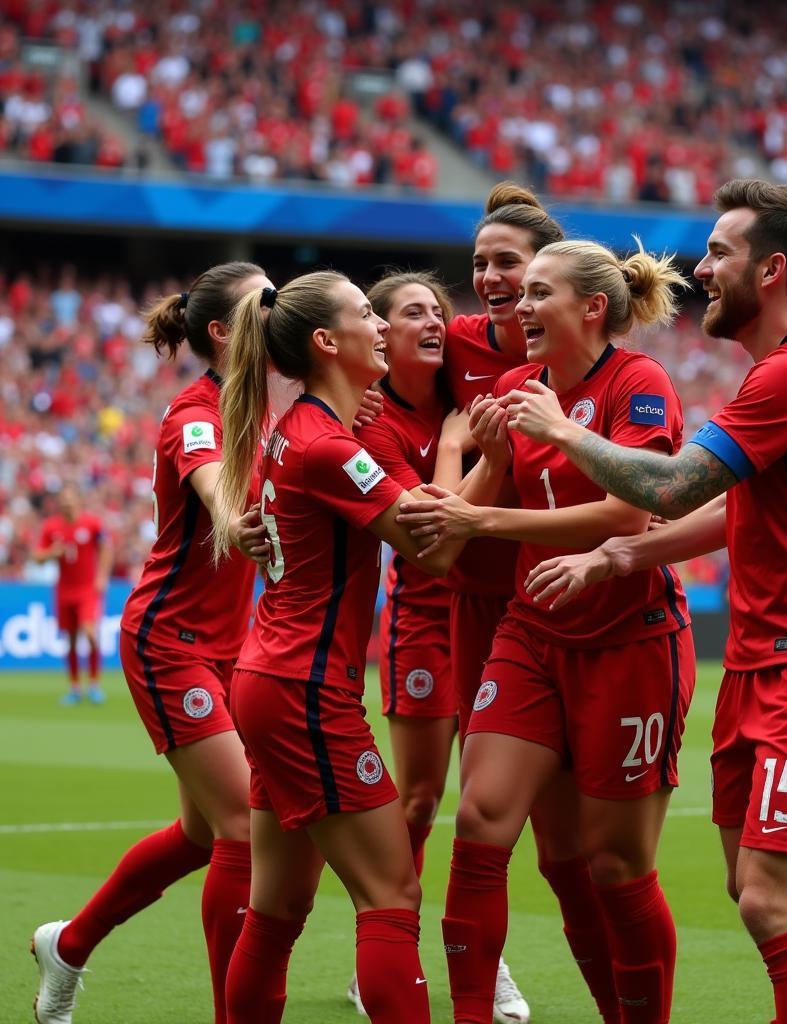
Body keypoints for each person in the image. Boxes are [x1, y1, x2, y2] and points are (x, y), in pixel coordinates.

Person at [501, 180, 787, 1024]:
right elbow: (738, 509)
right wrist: (623, 554)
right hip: (766, 659)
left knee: (773, 901)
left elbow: (666, 484)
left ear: (770, 271)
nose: (700, 269)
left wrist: (561, 430)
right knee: (753, 880)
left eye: (719, 253)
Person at [398, 239, 697, 1024]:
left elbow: (631, 512)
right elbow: (466, 513)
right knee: (480, 821)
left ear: (593, 309)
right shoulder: (512, 386)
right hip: (532, 633)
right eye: (518, 292)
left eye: (538, 293)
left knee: (616, 867)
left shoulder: (639, 381)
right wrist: (477, 463)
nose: (520, 307)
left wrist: (485, 508)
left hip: (632, 639)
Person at [212, 271, 492, 1024]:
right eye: (368, 313)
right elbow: (431, 553)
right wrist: (469, 448)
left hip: (268, 677)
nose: (380, 324)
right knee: (392, 893)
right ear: (328, 342)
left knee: (276, 911)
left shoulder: (298, 430)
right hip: (304, 690)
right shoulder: (330, 447)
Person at [32, 262, 274, 1024]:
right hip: (172, 640)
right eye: (263, 302)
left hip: (232, 646)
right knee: (244, 825)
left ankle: (68, 944)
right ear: (221, 332)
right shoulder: (194, 412)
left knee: (202, 837)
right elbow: (211, 484)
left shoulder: (267, 410)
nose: (279, 309)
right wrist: (236, 522)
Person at [440, 181, 610, 1024]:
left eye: (514, 266)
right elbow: (381, 364)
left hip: (588, 608)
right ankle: (435, 964)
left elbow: (636, 503)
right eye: (482, 264)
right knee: (468, 810)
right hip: (479, 602)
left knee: (581, 851)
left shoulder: (615, 375)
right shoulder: (456, 342)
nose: (495, 279)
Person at [343, 270, 469, 1014]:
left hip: (490, 617)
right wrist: (454, 444)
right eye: (411, 312)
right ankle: (389, 944)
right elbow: (430, 536)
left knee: (490, 806)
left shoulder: (468, 388)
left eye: (437, 311)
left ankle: (475, 954)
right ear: (381, 333)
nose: (432, 321)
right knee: (419, 799)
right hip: (423, 619)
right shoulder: (374, 421)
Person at [33, 482, 112, 705]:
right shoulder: (51, 527)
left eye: (70, 498)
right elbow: (37, 557)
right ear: (59, 502)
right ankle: (75, 687)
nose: (67, 503)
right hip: (64, 590)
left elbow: (106, 548)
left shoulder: (92, 523)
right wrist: (52, 553)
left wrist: (102, 576)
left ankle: (95, 684)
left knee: (89, 632)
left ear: (78, 500)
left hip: (87, 589)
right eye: (63, 499)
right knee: (70, 639)